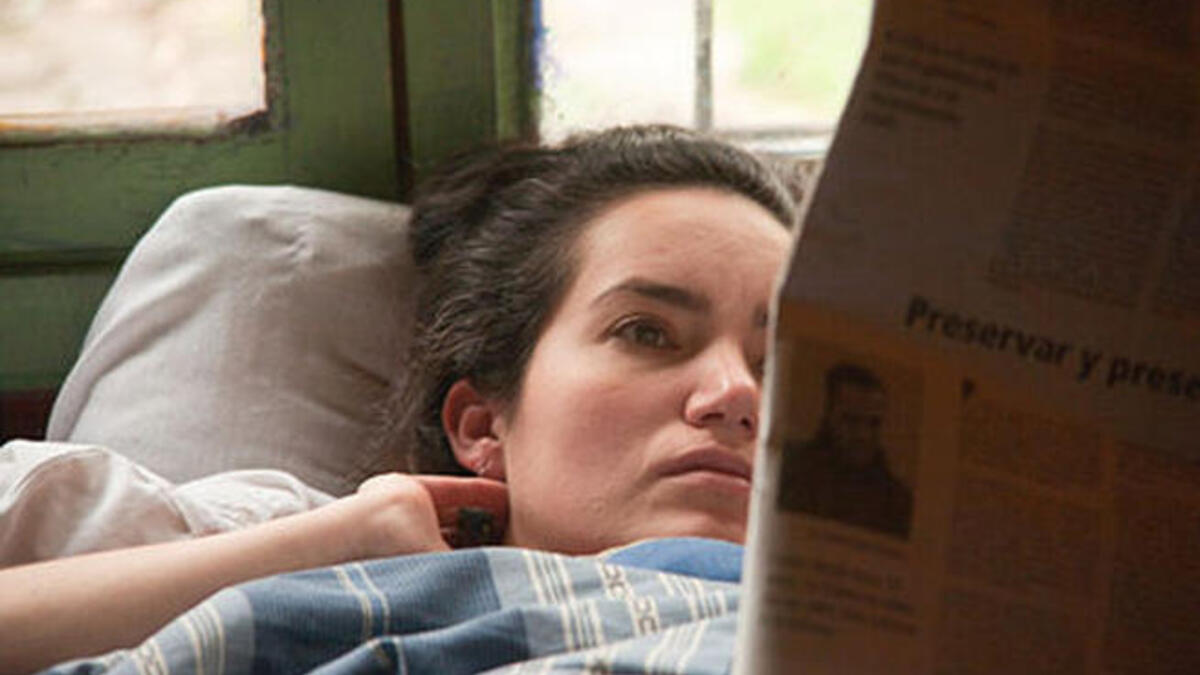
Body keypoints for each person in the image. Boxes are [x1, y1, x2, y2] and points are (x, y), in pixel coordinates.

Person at [0, 124, 797, 672]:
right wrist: (323, 547)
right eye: (647, 331)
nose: (735, 394)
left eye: (791, 366)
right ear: (482, 423)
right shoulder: (322, 544)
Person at [776, 362, 914, 537]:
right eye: (851, 421)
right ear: (828, 416)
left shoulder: (896, 500)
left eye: (873, 423)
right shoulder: (790, 472)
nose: (863, 435)